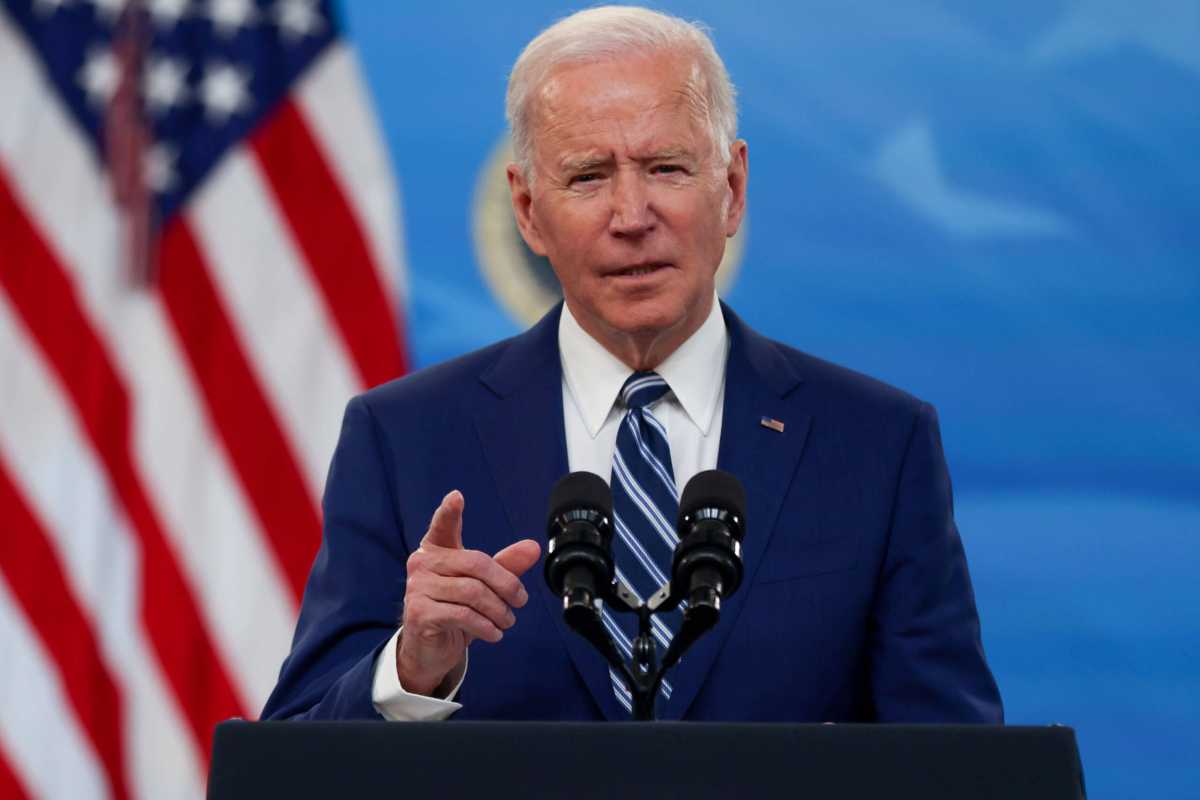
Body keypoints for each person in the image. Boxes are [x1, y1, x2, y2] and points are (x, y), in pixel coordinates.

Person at [262, 5, 1002, 723]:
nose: (631, 215)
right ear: (526, 210)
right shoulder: (404, 439)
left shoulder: (876, 443)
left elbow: (958, 765)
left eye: (667, 168)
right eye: (587, 176)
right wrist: (411, 670)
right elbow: (292, 762)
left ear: (732, 189)